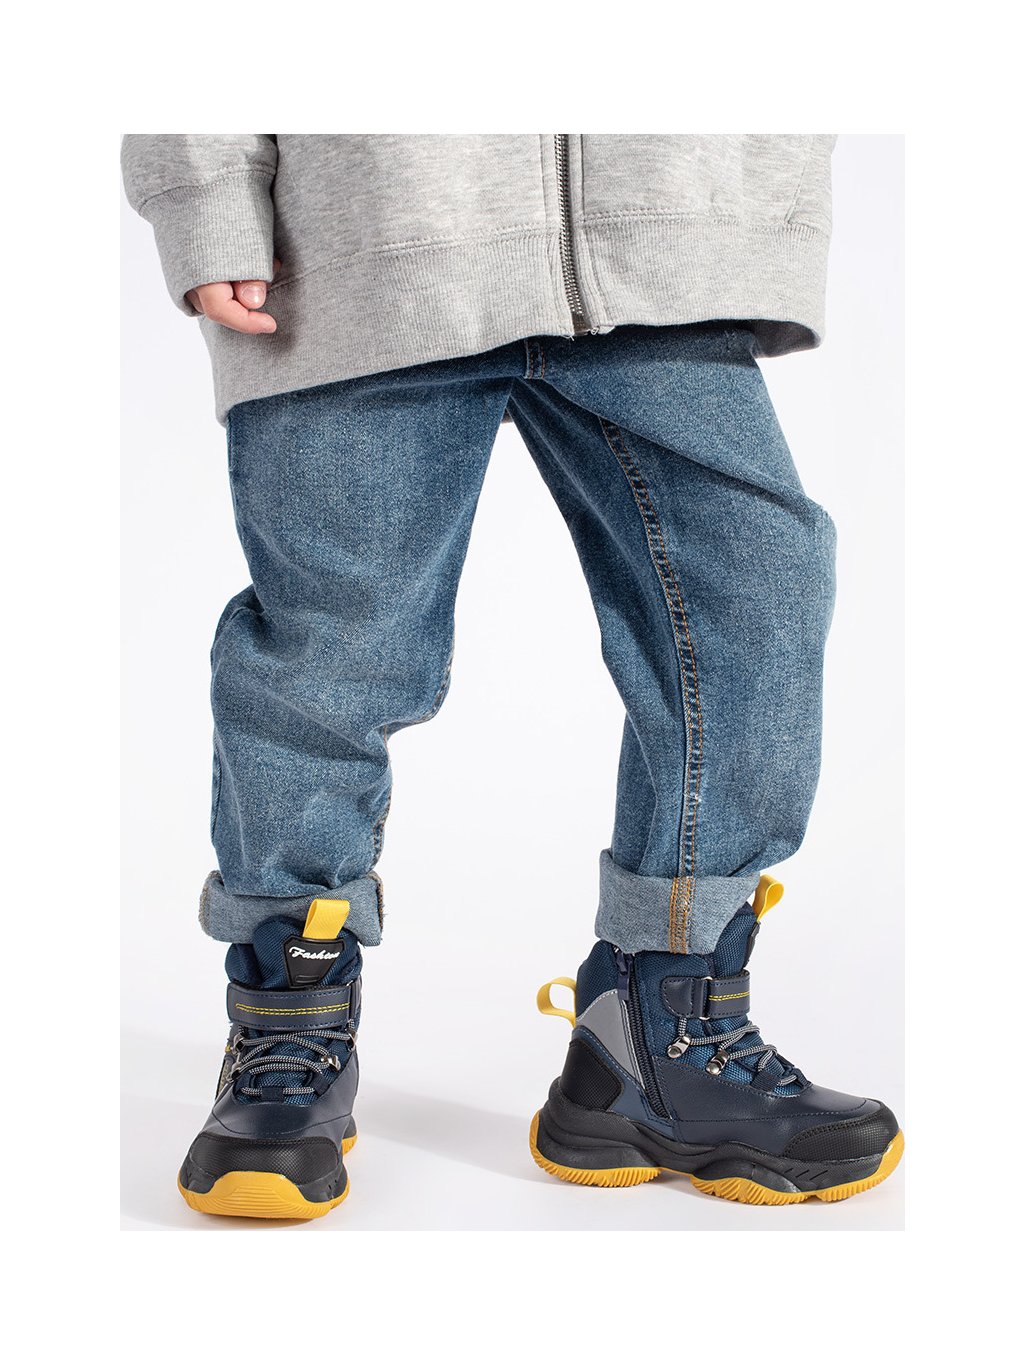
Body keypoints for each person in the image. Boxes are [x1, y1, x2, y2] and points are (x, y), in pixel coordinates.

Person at [122, 133, 903, 1220]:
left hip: (660, 245)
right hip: (362, 238)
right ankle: (288, 1033)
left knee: (756, 592)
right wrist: (207, 199)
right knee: (335, 651)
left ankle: (658, 1037)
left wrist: (745, 199)